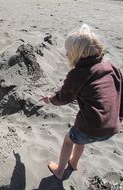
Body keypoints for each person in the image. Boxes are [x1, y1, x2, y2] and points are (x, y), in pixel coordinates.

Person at [39, 24, 122, 180]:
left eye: (68, 51)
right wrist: (120, 117)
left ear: (78, 54)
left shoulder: (77, 74)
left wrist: (49, 100)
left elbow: (63, 98)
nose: (66, 54)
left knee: (68, 140)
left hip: (91, 126)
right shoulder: (113, 68)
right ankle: (74, 163)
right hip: (113, 127)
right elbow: (120, 94)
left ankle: (59, 172)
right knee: (79, 138)